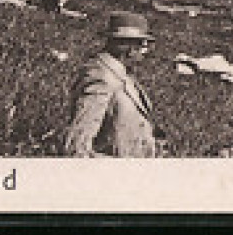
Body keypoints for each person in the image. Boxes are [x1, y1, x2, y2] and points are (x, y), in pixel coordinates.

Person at [62, 10, 160, 157]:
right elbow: (78, 145)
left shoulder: (122, 74)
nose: (145, 50)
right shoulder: (101, 78)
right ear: (125, 46)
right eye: (141, 43)